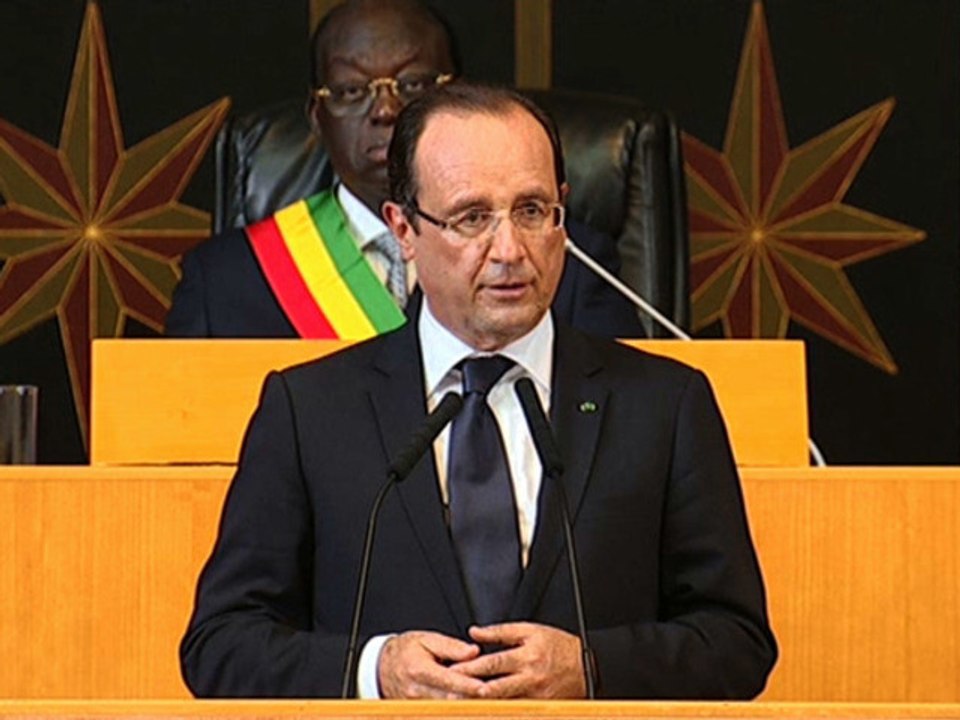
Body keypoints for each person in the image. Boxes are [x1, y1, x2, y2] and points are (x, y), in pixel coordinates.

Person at [180, 83, 777, 699]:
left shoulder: (665, 405)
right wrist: (374, 670)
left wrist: (592, 667)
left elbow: (737, 642)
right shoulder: (308, 411)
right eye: (471, 218)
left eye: (532, 211)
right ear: (404, 229)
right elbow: (220, 646)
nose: (510, 251)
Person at [164, 0, 643, 340]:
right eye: (353, 90)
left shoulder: (569, 265)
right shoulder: (225, 282)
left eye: (413, 83)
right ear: (316, 116)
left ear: (460, 96)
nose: (386, 109)